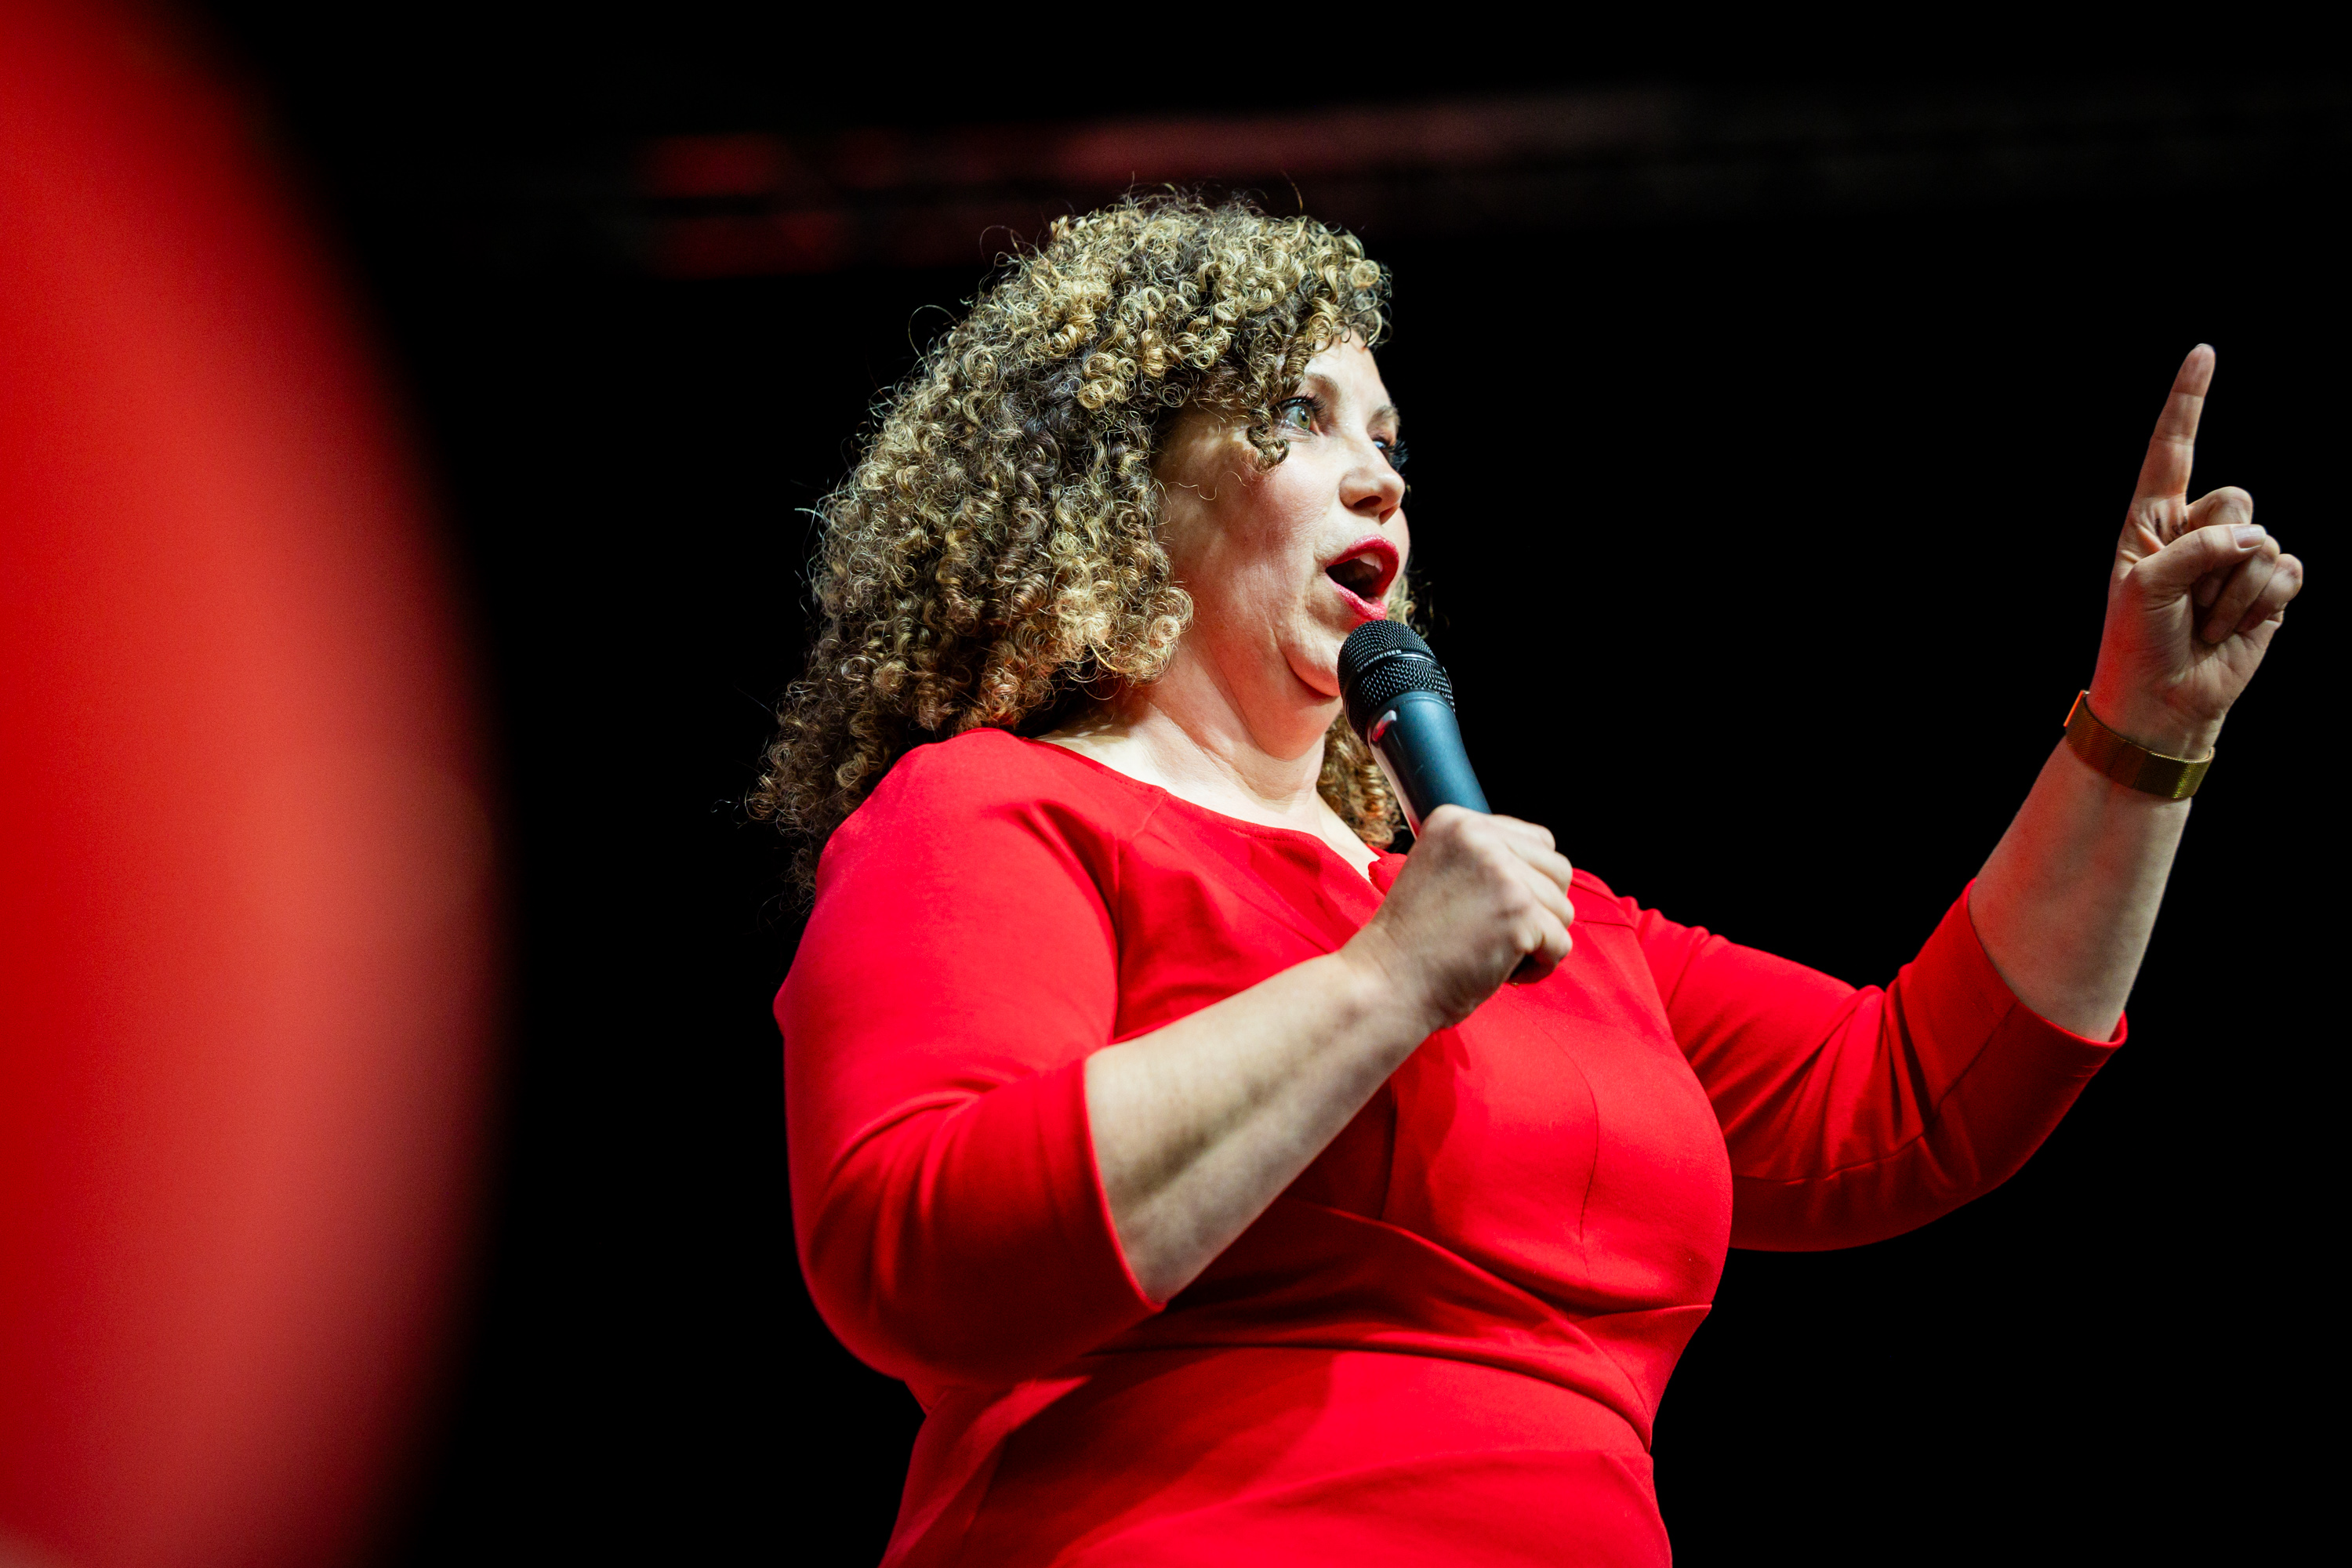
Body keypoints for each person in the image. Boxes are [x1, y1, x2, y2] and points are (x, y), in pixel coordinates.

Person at [755, 197, 2302, 1566]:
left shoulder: (1506, 904)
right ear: (1114, 490)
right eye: (1301, 419)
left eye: (1395, 445)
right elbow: (919, 1251)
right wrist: (1382, 980)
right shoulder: (990, 813)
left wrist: (2136, 733)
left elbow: (1909, 1098)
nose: (1381, 486)